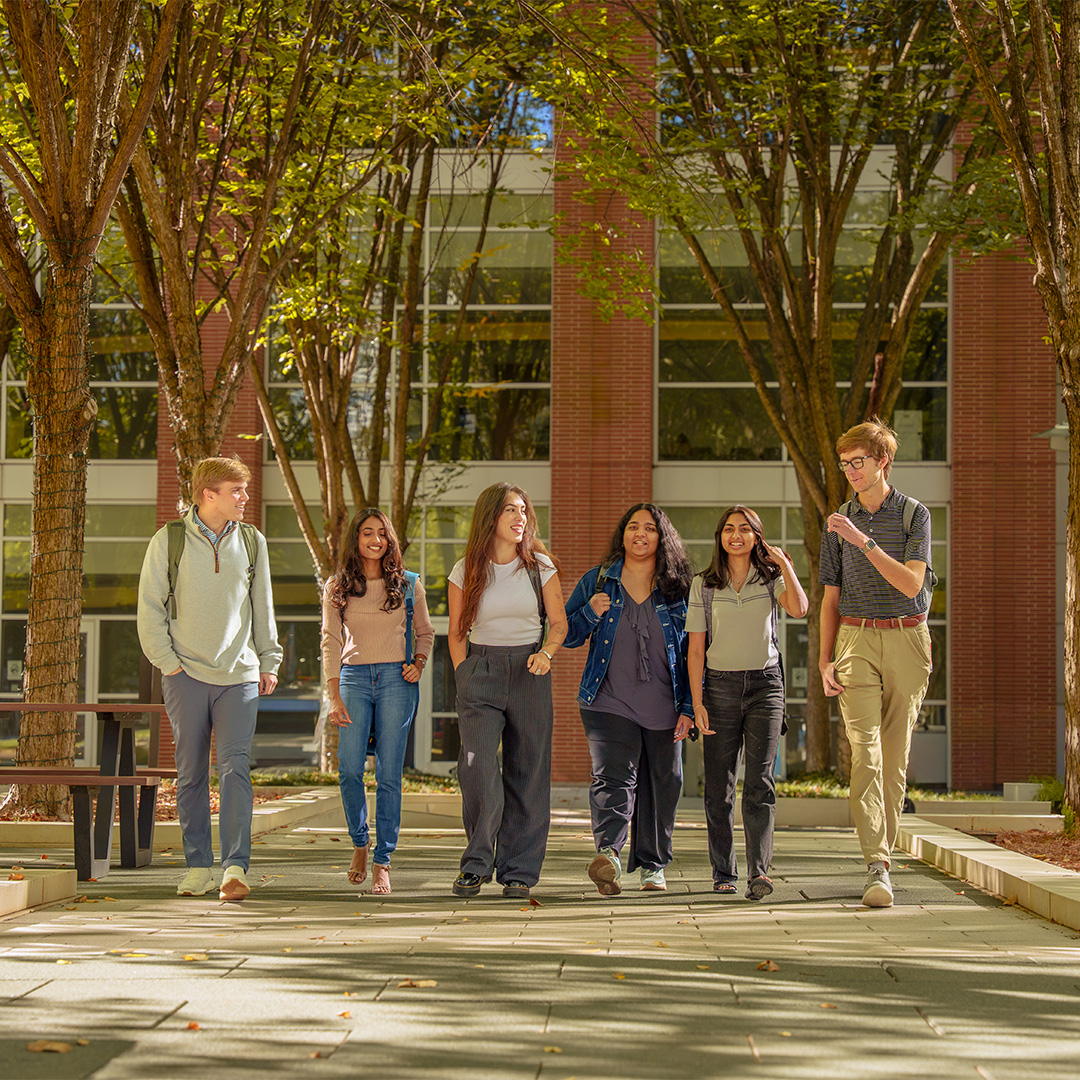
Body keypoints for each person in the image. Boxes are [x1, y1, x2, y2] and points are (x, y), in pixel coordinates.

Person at [137, 457, 281, 901]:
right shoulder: (169, 540)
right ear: (208, 495)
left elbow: (263, 606)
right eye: (236, 490)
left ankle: (235, 867)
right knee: (191, 772)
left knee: (235, 767)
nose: (244, 497)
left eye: (245, 490)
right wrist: (169, 663)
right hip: (186, 674)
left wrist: (269, 660)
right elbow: (150, 607)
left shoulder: (253, 542)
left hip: (239, 674)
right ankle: (197, 866)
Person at [819, 418, 933, 908]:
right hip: (856, 638)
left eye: (858, 462)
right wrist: (824, 659)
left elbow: (910, 585)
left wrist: (863, 541)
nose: (850, 472)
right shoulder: (836, 520)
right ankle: (877, 865)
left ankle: (883, 857)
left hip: (908, 638)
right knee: (864, 754)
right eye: (845, 464)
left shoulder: (914, 516)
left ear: (882, 460)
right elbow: (830, 598)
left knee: (894, 756)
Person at [564, 504, 696, 896]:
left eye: (650, 528)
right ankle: (609, 855)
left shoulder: (679, 586)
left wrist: (690, 705)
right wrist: (589, 612)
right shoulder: (598, 581)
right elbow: (566, 633)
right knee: (613, 777)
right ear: (622, 534)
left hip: (665, 702)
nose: (641, 534)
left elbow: (696, 651)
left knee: (664, 781)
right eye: (633, 527)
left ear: (662, 537)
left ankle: (653, 865)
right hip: (607, 699)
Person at [448, 482, 567, 900]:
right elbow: (457, 631)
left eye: (523, 510)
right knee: (477, 765)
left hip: (530, 669)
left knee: (528, 771)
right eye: (510, 511)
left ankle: (519, 870)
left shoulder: (540, 567)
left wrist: (548, 653)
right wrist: (465, 674)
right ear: (490, 518)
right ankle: (477, 862)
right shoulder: (466, 569)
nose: (520, 518)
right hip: (480, 670)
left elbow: (559, 623)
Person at [687, 506, 808, 900]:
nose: (735, 535)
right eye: (728, 529)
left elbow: (800, 608)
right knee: (719, 787)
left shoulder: (770, 579)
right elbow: (695, 650)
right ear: (720, 537)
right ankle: (724, 870)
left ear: (757, 537)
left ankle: (760, 872)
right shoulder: (704, 584)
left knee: (759, 782)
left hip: (765, 687)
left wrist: (785, 565)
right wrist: (697, 702)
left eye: (744, 529)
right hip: (719, 688)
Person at [321, 508, 434, 895]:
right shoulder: (337, 587)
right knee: (350, 769)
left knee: (389, 776)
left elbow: (425, 633)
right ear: (355, 538)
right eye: (367, 532)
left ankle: (383, 861)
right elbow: (330, 642)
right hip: (352, 679)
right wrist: (333, 696)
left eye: (382, 533)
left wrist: (418, 664)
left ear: (390, 540)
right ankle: (359, 842)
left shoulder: (408, 585)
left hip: (395, 681)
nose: (375, 539)